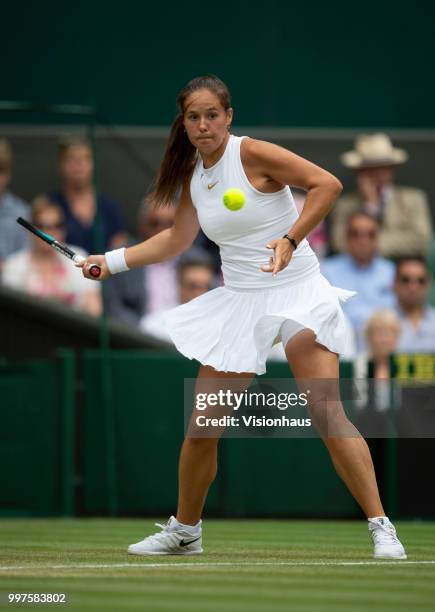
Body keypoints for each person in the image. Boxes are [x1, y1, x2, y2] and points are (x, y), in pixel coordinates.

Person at [79, 75, 406, 560]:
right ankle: (186, 531)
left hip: (299, 292)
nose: (204, 124)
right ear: (184, 123)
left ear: (228, 116)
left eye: (213, 115)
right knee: (202, 425)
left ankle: (382, 527)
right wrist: (112, 261)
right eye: (194, 117)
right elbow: (174, 240)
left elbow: (327, 184)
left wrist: (290, 239)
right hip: (243, 302)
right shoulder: (193, 175)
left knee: (325, 410)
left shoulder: (252, 153)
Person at [330, 133, 433, 258]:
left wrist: (367, 243)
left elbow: (421, 241)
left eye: (383, 168)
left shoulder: (413, 199)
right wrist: (370, 207)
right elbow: (339, 243)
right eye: (369, 169)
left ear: (392, 169)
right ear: (359, 172)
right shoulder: (345, 204)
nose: (377, 174)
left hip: (403, 271)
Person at [2, 196, 102, 316]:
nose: (48, 232)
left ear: (64, 229)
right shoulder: (14, 265)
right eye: (41, 226)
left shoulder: (79, 257)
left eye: (56, 226)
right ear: (30, 230)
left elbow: (95, 309)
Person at [321, 212, 395, 351]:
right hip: (341, 345)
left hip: (383, 345)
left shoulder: (391, 271)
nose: (363, 240)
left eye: (370, 234)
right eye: (356, 234)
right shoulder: (327, 271)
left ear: (377, 238)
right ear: (346, 238)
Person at [50, 135, 128, 253]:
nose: (78, 165)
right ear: (60, 165)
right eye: (71, 159)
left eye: (85, 159)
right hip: (64, 269)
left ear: (94, 164)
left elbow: (120, 247)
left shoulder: (110, 207)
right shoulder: (50, 205)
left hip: (103, 270)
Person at [140, 251, 215, 342]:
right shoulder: (153, 326)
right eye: (192, 286)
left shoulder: (219, 327)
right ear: (178, 285)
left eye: (204, 287)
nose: (198, 294)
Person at [0, 138, 31, 271]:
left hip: (11, 287)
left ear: (8, 174)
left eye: (0, 170)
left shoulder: (22, 212)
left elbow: (27, 262)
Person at [393, 257, 435, 353]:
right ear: (394, 283)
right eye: (406, 280)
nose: (413, 287)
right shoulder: (380, 322)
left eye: (420, 281)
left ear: (428, 284)